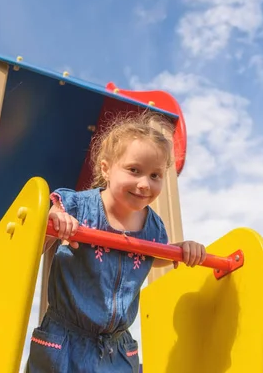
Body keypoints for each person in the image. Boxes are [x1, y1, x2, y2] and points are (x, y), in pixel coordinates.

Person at [27, 111, 207, 372]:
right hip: (64, 338)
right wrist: (55, 219)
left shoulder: (154, 227)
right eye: (134, 170)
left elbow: (149, 258)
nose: (145, 184)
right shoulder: (79, 206)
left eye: (155, 175)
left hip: (117, 348)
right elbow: (37, 232)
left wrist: (178, 251)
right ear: (106, 168)